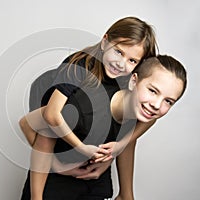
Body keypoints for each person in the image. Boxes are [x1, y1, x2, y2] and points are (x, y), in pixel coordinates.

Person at [19, 16, 158, 200]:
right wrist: (63, 160)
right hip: (56, 167)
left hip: (93, 171)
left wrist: (115, 157)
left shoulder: (129, 81)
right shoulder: (79, 68)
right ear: (104, 41)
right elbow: (49, 118)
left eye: (132, 61)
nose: (121, 63)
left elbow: (147, 118)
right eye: (118, 52)